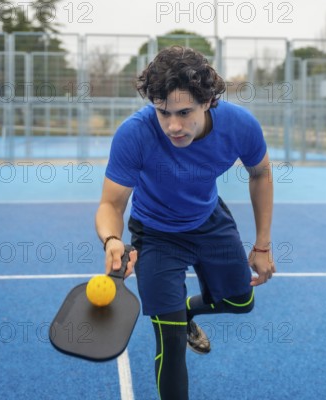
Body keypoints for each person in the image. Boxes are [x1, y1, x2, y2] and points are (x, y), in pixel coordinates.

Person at [95, 45, 275, 400]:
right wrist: (112, 240)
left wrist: (262, 244)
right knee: (171, 339)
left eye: (184, 112)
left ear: (207, 101)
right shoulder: (134, 134)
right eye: (163, 112)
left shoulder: (239, 126)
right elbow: (110, 204)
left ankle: (188, 309)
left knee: (241, 302)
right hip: (155, 234)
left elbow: (261, 173)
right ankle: (178, 318)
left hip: (208, 219)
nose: (173, 125)